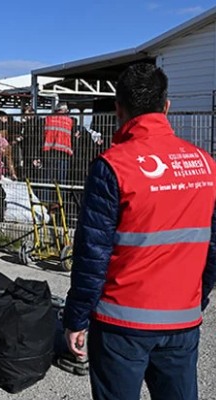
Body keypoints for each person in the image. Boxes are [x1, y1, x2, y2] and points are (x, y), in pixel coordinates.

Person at [63, 63, 216, 400]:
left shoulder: (112, 165)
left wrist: (76, 317)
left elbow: (92, 253)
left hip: (120, 323)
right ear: (166, 106)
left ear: (118, 109)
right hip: (182, 320)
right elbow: (213, 246)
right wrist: (198, 297)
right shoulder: (206, 164)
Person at [42, 102, 74, 186]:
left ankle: (45, 194)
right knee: (61, 179)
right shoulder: (69, 121)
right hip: (64, 152)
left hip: (49, 151)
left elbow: (43, 134)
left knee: (47, 178)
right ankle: (61, 194)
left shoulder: (48, 119)